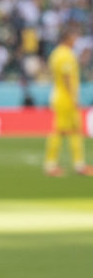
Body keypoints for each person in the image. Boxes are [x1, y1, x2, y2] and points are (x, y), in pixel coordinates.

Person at [44, 27, 89, 177]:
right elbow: (67, 78)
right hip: (66, 99)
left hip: (61, 96)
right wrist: (74, 98)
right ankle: (51, 165)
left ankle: (79, 164)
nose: (75, 41)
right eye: (74, 37)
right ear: (67, 38)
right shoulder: (65, 55)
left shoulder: (56, 54)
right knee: (60, 131)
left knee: (74, 130)